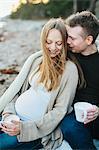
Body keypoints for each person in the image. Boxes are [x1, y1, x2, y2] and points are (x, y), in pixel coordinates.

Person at [0, 18, 78, 150]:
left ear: (65, 43)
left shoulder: (69, 70)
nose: (53, 48)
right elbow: (18, 91)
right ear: (43, 41)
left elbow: (60, 111)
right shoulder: (38, 61)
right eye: (49, 42)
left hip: (32, 131)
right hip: (13, 117)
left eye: (59, 43)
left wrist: (23, 129)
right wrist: (8, 113)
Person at [60, 11, 99, 150]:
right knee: (70, 127)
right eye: (67, 36)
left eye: (72, 38)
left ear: (89, 40)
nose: (68, 41)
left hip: (95, 112)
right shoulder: (68, 55)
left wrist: (98, 110)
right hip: (73, 112)